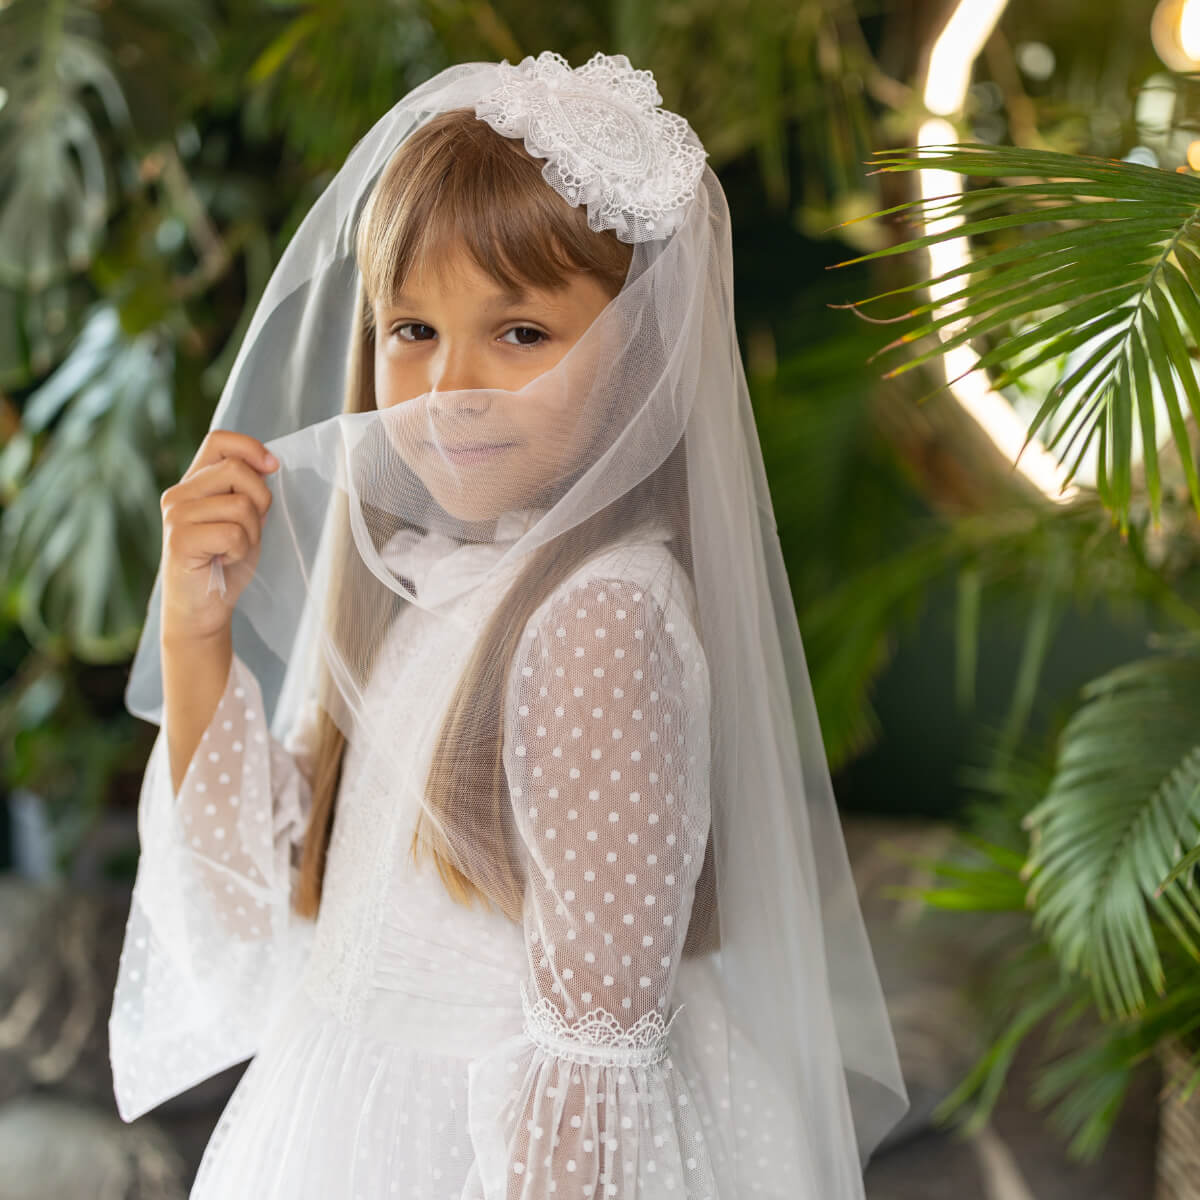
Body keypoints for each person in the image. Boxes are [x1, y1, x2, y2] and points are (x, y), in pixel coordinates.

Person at [108, 50, 909, 1198]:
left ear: (638, 347)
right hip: (338, 1127)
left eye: (522, 333)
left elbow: (589, 1094)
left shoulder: (599, 622)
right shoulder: (429, 585)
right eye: (412, 329)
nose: (450, 387)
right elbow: (247, 906)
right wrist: (197, 636)